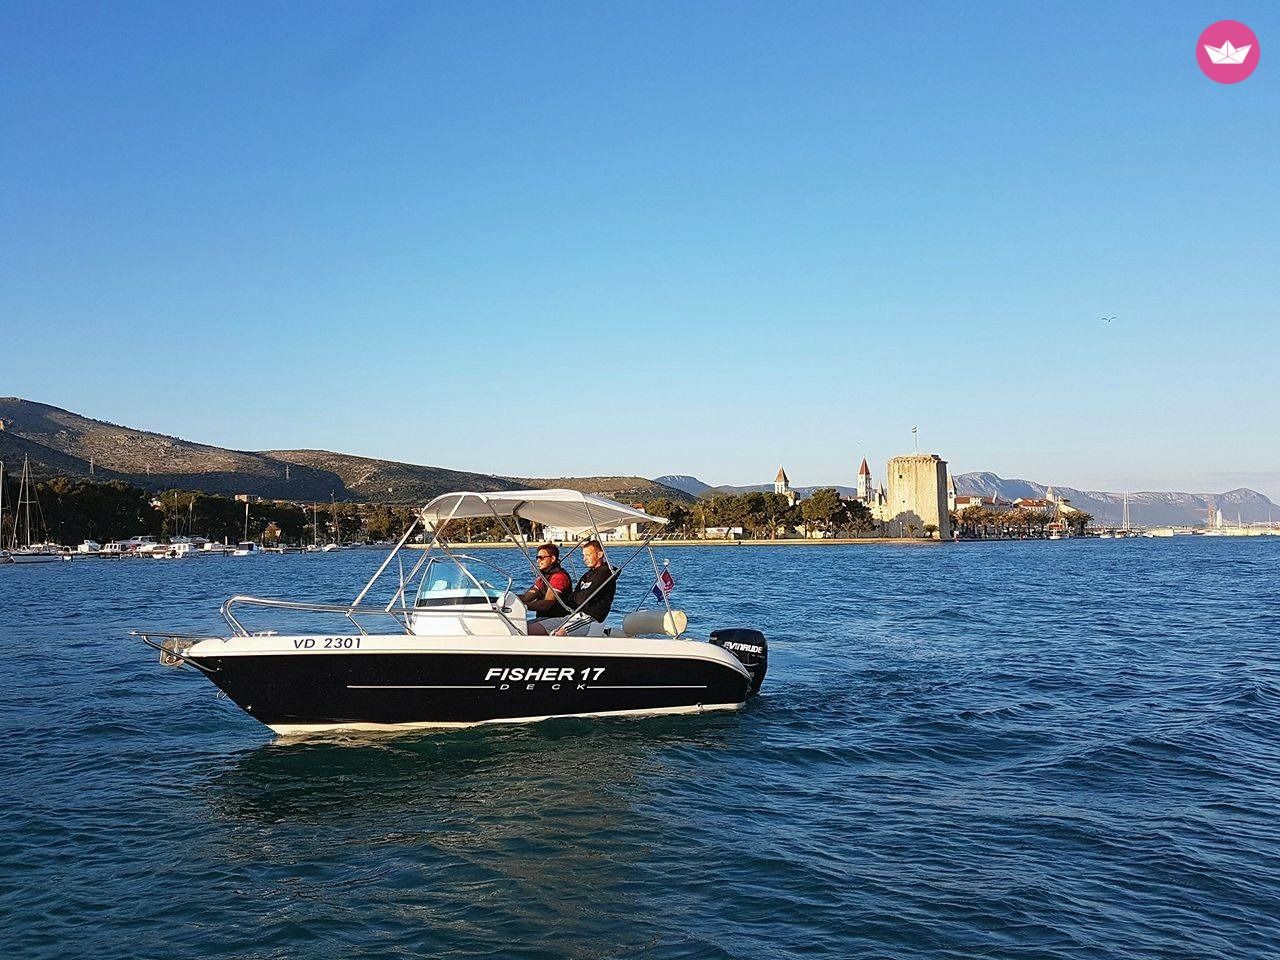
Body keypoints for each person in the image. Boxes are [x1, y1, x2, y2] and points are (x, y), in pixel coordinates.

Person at [530, 539, 618, 637]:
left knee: (558, 634)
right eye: (583, 556)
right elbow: (575, 597)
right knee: (528, 628)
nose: (584, 559)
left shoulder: (606, 573)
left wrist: (576, 598)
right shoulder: (587, 575)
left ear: (600, 555)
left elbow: (584, 598)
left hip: (590, 618)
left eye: (588, 555)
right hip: (574, 615)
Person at [518, 544, 574, 629]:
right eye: (537, 558)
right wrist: (509, 598)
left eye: (541, 558)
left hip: (559, 619)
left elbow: (548, 603)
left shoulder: (558, 577)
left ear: (552, 559)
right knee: (516, 627)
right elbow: (527, 597)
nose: (538, 561)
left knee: (523, 630)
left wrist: (524, 606)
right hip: (544, 618)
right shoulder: (543, 578)